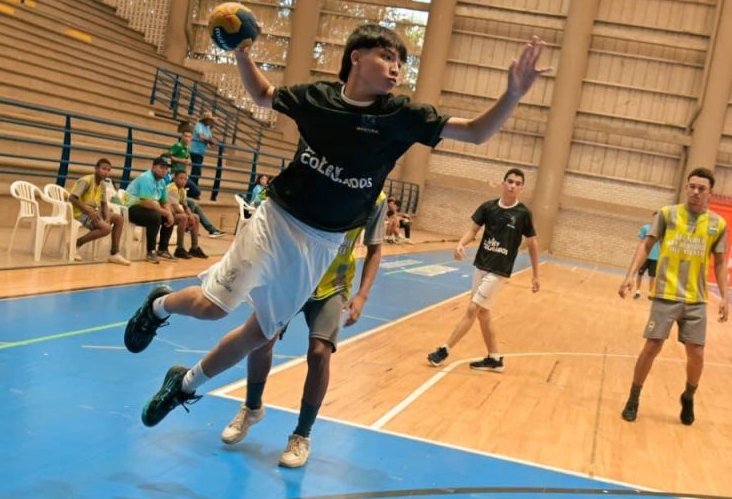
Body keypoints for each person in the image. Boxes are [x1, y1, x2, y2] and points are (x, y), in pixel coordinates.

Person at [123, 23, 549, 430]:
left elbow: (475, 132)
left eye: (401, 62)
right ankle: (158, 306)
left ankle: (183, 385)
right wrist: (241, 53)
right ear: (356, 58)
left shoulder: (401, 115)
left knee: (260, 332)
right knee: (215, 307)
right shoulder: (318, 98)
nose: (396, 68)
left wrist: (512, 94)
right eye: (387, 57)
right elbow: (263, 95)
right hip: (277, 218)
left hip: (323, 242)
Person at [221, 193, 386, 468]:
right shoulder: (317, 178)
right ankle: (251, 407)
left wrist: (362, 294)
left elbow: (375, 249)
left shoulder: (376, 199)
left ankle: (302, 435)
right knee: (263, 339)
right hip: (293, 275)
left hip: (333, 285)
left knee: (320, 353)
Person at [617, 167, 730, 426]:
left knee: (697, 353)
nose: (695, 191)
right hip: (665, 294)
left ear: (710, 193)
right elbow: (646, 244)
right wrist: (630, 275)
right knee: (652, 346)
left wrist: (725, 297)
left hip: (696, 299)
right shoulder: (667, 214)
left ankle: (689, 396)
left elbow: (721, 262)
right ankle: (633, 398)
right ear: (686, 187)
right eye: (692, 186)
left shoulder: (718, 224)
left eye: (701, 188)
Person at [426, 168, 539, 372]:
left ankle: (444, 350)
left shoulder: (523, 214)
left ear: (522, 188)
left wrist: (535, 275)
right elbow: (473, 230)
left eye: (517, 183)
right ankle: (494, 358)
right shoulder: (488, 207)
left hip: (499, 271)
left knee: (473, 309)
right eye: (510, 181)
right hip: (482, 265)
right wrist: (461, 244)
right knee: (483, 313)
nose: (513, 186)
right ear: (503, 183)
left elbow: (532, 244)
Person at [67, 158, 130, 265]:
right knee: (106, 228)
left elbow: (104, 204)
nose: (106, 172)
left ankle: (114, 254)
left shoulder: (102, 184)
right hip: (80, 213)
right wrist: (89, 212)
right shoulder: (86, 181)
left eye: (108, 170)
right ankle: (75, 244)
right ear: (96, 168)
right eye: (103, 169)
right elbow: (72, 198)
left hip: (94, 212)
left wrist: (107, 217)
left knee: (119, 219)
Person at [123, 156, 174, 264]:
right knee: (155, 217)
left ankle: (163, 249)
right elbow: (146, 202)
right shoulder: (146, 178)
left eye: (166, 168)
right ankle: (151, 251)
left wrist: (169, 214)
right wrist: (165, 212)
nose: (164, 170)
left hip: (146, 208)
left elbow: (165, 202)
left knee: (169, 216)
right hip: (130, 208)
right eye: (162, 167)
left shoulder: (162, 182)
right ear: (153, 167)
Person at [164, 170, 208, 260]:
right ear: (174, 179)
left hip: (174, 213)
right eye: (181, 178)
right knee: (183, 217)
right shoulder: (172, 188)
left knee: (196, 217)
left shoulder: (182, 190)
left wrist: (190, 216)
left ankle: (194, 248)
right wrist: (188, 216)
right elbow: (176, 207)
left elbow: (185, 206)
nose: (183, 181)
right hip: (166, 213)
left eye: (185, 179)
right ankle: (179, 248)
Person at [633, 211, 660, 299]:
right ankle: (637, 292)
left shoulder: (662, 231)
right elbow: (641, 242)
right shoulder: (645, 228)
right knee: (640, 273)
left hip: (655, 257)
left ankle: (650, 293)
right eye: (655, 217)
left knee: (653, 276)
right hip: (644, 256)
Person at [190, 111, 216, 189]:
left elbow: (209, 137)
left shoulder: (207, 128)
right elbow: (201, 136)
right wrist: (210, 141)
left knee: (197, 171)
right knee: (196, 171)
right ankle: (192, 187)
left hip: (201, 152)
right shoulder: (199, 125)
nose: (211, 122)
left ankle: (193, 187)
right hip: (195, 151)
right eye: (210, 120)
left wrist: (211, 141)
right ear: (206, 120)